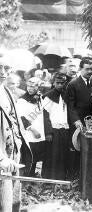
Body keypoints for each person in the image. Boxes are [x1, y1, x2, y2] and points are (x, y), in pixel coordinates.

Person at [0, 54, 31, 212]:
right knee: (3, 202)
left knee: (13, 202)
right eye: (0, 68)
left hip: (13, 154)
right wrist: (1, 158)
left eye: (6, 68)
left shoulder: (7, 91)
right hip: (3, 158)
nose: (3, 72)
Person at [65, 58, 92, 176]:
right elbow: (70, 106)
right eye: (87, 69)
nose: (90, 71)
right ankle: (73, 176)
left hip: (91, 122)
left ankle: (85, 175)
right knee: (76, 149)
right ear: (80, 69)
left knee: (88, 148)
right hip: (77, 123)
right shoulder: (73, 84)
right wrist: (76, 120)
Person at [17, 77, 51, 177]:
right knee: (28, 156)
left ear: (38, 86)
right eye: (28, 86)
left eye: (33, 86)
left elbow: (45, 115)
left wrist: (48, 132)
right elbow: (21, 118)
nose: (30, 88)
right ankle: (25, 178)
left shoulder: (41, 98)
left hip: (41, 133)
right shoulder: (22, 100)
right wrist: (32, 130)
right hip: (29, 133)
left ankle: (32, 178)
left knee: (37, 157)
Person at [43, 73, 69, 180]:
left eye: (62, 83)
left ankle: (60, 178)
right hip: (53, 130)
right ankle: (49, 178)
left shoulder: (66, 95)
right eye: (57, 83)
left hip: (64, 129)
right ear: (53, 83)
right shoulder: (48, 96)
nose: (59, 85)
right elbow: (45, 116)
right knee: (51, 155)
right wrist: (48, 132)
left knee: (62, 154)